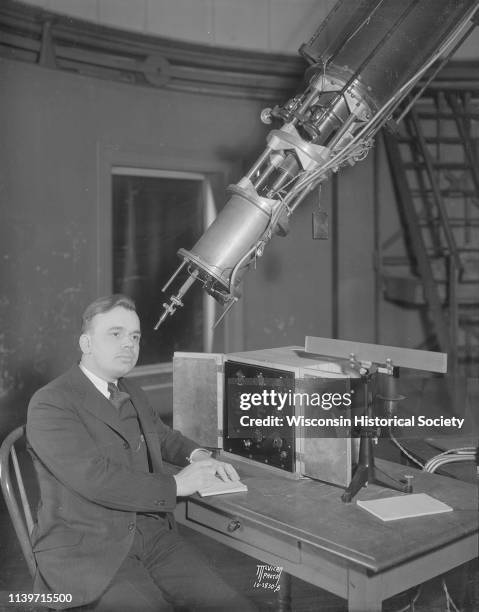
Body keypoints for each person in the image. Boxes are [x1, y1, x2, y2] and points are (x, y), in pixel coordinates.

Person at [26, 294, 257, 611]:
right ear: (86, 343)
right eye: (115, 334)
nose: (129, 344)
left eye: (135, 337)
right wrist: (178, 485)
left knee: (233, 606)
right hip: (88, 549)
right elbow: (96, 480)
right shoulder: (51, 402)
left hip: (150, 533)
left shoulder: (130, 390)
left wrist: (200, 456)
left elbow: (162, 437)